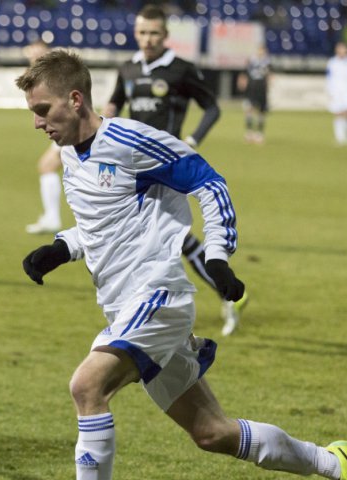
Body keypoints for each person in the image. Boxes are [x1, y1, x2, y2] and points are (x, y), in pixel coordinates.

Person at [15, 50, 347, 480]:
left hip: (158, 298)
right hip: (124, 307)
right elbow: (105, 225)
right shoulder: (73, 156)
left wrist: (217, 256)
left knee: (87, 386)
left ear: (75, 99)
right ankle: (333, 460)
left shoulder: (131, 140)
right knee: (213, 433)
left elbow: (209, 181)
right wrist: (60, 248)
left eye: (43, 109)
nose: (37, 122)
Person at [104, 3, 247, 337]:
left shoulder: (181, 69)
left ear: (165, 34)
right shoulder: (128, 68)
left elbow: (212, 108)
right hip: (132, 169)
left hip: (167, 167)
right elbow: (113, 105)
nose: (147, 39)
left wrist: (192, 140)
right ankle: (223, 293)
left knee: (155, 235)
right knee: (166, 237)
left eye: (154, 33)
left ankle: (149, 310)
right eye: (142, 32)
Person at [23, 39, 64, 235]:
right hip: (64, 127)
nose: (35, 56)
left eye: (39, 53)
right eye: (33, 53)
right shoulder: (43, 74)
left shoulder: (54, 73)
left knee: (47, 166)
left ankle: (53, 218)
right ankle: (51, 217)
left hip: (68, 127)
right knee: (47, 166)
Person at [238, 45, 271, 144]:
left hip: (262, 89)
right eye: (260, 50)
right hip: (251, 88)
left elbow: (269, 75)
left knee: (261, 111)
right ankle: (249, 132)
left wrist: (268, 85)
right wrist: (242, 82)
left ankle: (259, 134)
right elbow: (244, 73)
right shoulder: (251, 61)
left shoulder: (267, 62)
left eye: (263, 51)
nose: (261, 52)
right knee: (249, 109)